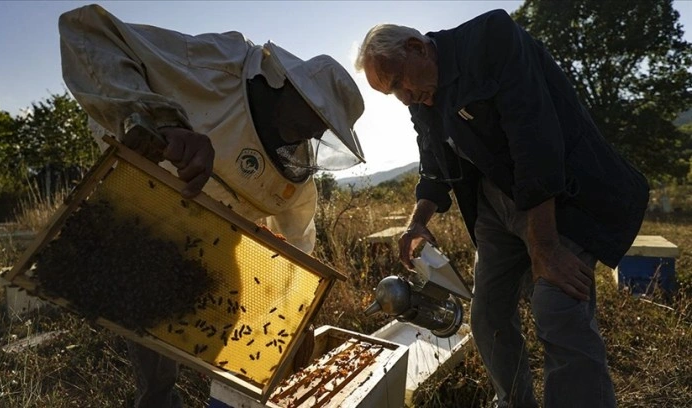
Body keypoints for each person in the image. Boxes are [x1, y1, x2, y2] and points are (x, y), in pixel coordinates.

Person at [59, 4, 365, 407]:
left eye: (324, 126)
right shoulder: (218, 64)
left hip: (219, 243)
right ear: (284, 84)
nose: (314, 129)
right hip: (147, 214)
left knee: (233, 353)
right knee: (150, 349)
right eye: (314, 113)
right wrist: (161, 122)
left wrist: (300, 312)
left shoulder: (294, 170)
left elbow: (298, 242)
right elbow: (86, 31)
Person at [355, 9, 648, 408]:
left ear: (417, 48)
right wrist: (417, 221)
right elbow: (434, 164)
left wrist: (544, 246)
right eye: (392, 93)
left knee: (558, 306)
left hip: (559, 194)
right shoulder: (421, 93)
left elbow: (536, 142)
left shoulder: (491, 39)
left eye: (397, 83)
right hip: (494, 203)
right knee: (488, 316)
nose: (404, 98)